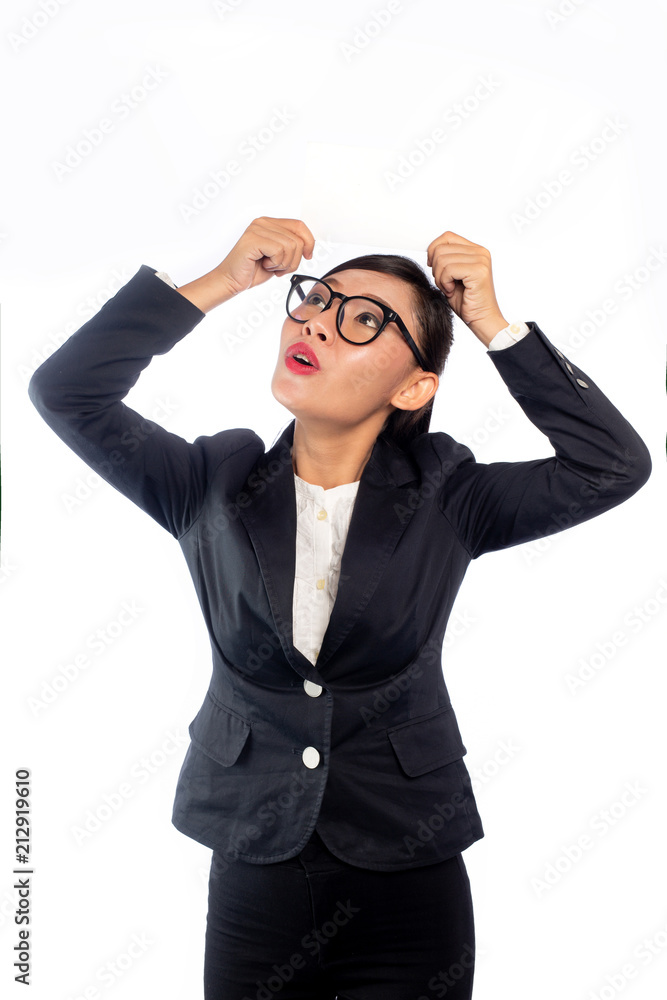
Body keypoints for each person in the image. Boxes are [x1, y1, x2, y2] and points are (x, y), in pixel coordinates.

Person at [28, 218, 652, 999]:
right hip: (255, 857)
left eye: (363, 320)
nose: (318, 319)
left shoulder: (450, 496)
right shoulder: (208, 483)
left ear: (413, 387)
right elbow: (67, 391)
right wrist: (222, 281)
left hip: (408, 869)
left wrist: (491, 324)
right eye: (317, 301)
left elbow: (612, 467)